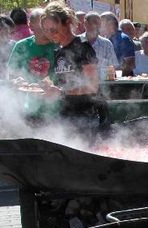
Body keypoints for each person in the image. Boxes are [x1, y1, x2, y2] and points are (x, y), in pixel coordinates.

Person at [41, 1, 106, 133]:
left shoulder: (83, 47)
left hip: (86, 118)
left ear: (67, 23)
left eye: (53, 29)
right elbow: (61, 82)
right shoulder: (58, 51)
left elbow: (92, 86)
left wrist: (61, 92)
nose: (50, 34)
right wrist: (45, 86)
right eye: (46, 30)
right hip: (64, 118)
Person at [8, 8, 56, 81]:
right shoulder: (21, 46)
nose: (48, 29)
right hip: (26, 91)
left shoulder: (58, 45)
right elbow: (11, 75)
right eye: (42, 24)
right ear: (31, 26)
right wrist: (16, 82)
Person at [79, 13, 119, 81]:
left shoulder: (107, 44)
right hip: (81, 85)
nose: (98, 26)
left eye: (99, 24)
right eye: (94, 23)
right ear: (85, 24)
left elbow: (113, 66)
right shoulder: (76, 42)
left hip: (102, 86)